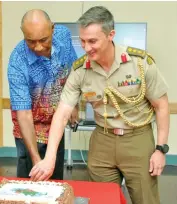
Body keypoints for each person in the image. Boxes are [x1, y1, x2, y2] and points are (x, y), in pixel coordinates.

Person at [29, 6, 170, 204]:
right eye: (83, 41)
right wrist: (50, 158)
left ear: (111, 35)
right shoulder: (80, 70)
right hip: (102, 141)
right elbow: (61, 114)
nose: (86, 48)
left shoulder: (139, 63)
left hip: (138, 140)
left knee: (146, 200)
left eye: (93, 41)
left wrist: (160, 149)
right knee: (101, 200)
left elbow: (162, 106)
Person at [7, 9, 78, 180]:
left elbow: (74, 70)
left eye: (43, 40)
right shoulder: (18, 61)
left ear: (52, 29)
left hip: (55, 123)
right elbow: (23, 114)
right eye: (31, 41)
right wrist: (37, 160)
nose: (38, 47)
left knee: (55, 176)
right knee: (31, 181)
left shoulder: (63, 36)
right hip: (30, 127)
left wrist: (75, 105)